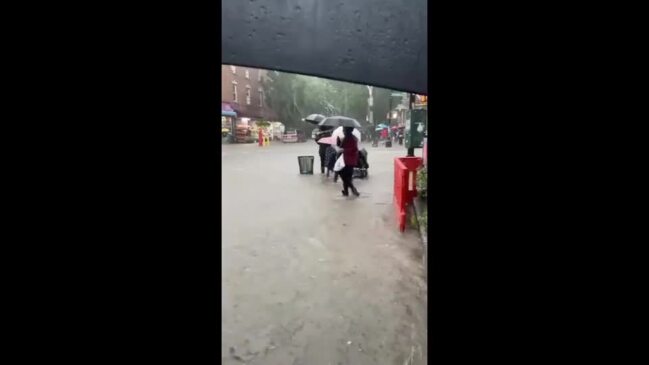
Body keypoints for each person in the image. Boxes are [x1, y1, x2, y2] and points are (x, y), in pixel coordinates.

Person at [337, 127, 360, 197]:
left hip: (349, 161)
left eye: (344, 130)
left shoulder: (352, 138)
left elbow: (354, 149)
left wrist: (345, 150)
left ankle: (352, 189)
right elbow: (341, 146)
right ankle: (346, 191)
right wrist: (339, 141)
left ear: (347, 130)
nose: (343, 131)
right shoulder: (347, 138)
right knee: (347, 177)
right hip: (348, 160)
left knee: (344, 176)